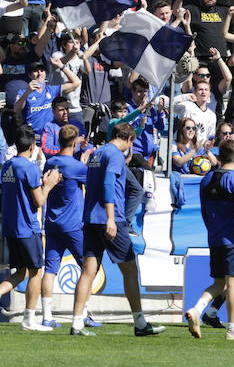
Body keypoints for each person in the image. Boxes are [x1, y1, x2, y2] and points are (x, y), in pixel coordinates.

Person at [69, 123, 165, 337]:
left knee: (88, 271)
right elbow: (108, 184)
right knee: (130, 269)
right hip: (109, 220)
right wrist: (111, 218)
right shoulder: (114, 155)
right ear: (129, 140)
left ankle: (76, 323)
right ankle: (140, 323)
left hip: (91, 219)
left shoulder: (98, 152)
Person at [184, 139, 234, 341]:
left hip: (215, 238)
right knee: (233, 284)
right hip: (233, 239)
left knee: (219, 283)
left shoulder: (206, 179)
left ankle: (197, 309)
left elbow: (204, 210)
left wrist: (212, 229)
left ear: (219, 156)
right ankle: (233, 329)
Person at [40, 124, 102, 329]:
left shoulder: (50, 162)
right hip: (73, 225)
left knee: (50, 270)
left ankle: (47, 316)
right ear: (75, 142)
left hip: (52, 223)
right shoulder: (77, 166)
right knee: (88, 268)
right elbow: (93, 184)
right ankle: (82, 313)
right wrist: (84, 162)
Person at [0, 125, 61, 331]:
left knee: (23, 271)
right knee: (36, 271)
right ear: (34, 145)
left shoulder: (7, 165)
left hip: (10, 227)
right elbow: (39, 201)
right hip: (27, 227)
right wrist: (49, 184)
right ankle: (29, 319)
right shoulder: (29, 167)